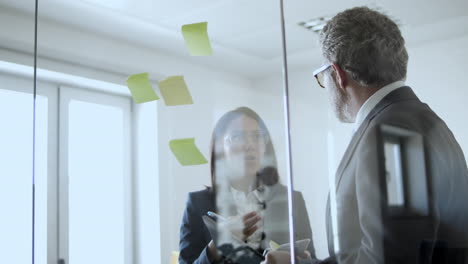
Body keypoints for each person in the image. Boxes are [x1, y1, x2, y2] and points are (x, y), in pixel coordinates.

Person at [264, 6, 468, 264]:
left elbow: (390, 259)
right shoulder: (419, 121)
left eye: (322, 77)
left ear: (337, 75)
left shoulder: (390, 131)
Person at [179, 107, 318, 264]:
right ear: (220, 148)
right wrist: (219, 244)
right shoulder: (198, 203)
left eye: (256, 136)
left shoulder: (292, 199)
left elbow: (312, 258)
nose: (249, 145)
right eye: (237, 137)